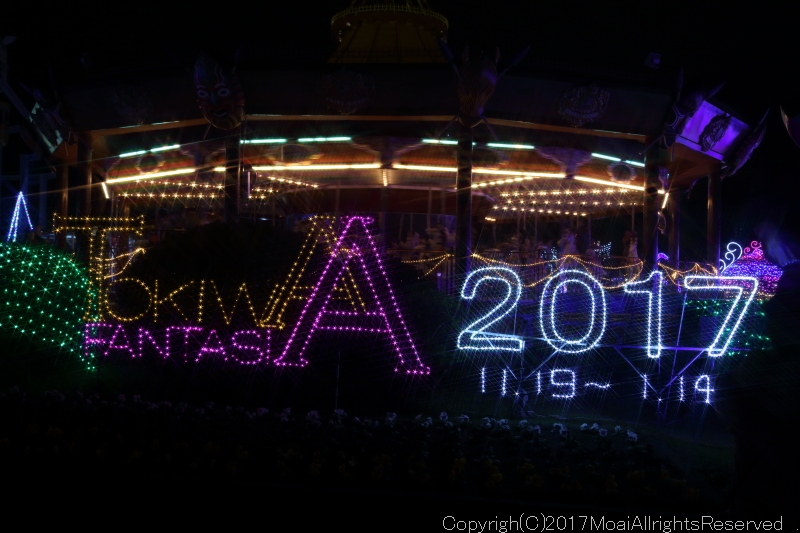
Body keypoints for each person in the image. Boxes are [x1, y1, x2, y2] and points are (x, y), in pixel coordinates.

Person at [716, 262, 800, 517]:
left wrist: (730, 389)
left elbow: (739, 415)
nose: (767, 311)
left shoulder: (769, 365)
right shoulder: (763, 361)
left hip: (766, 495)